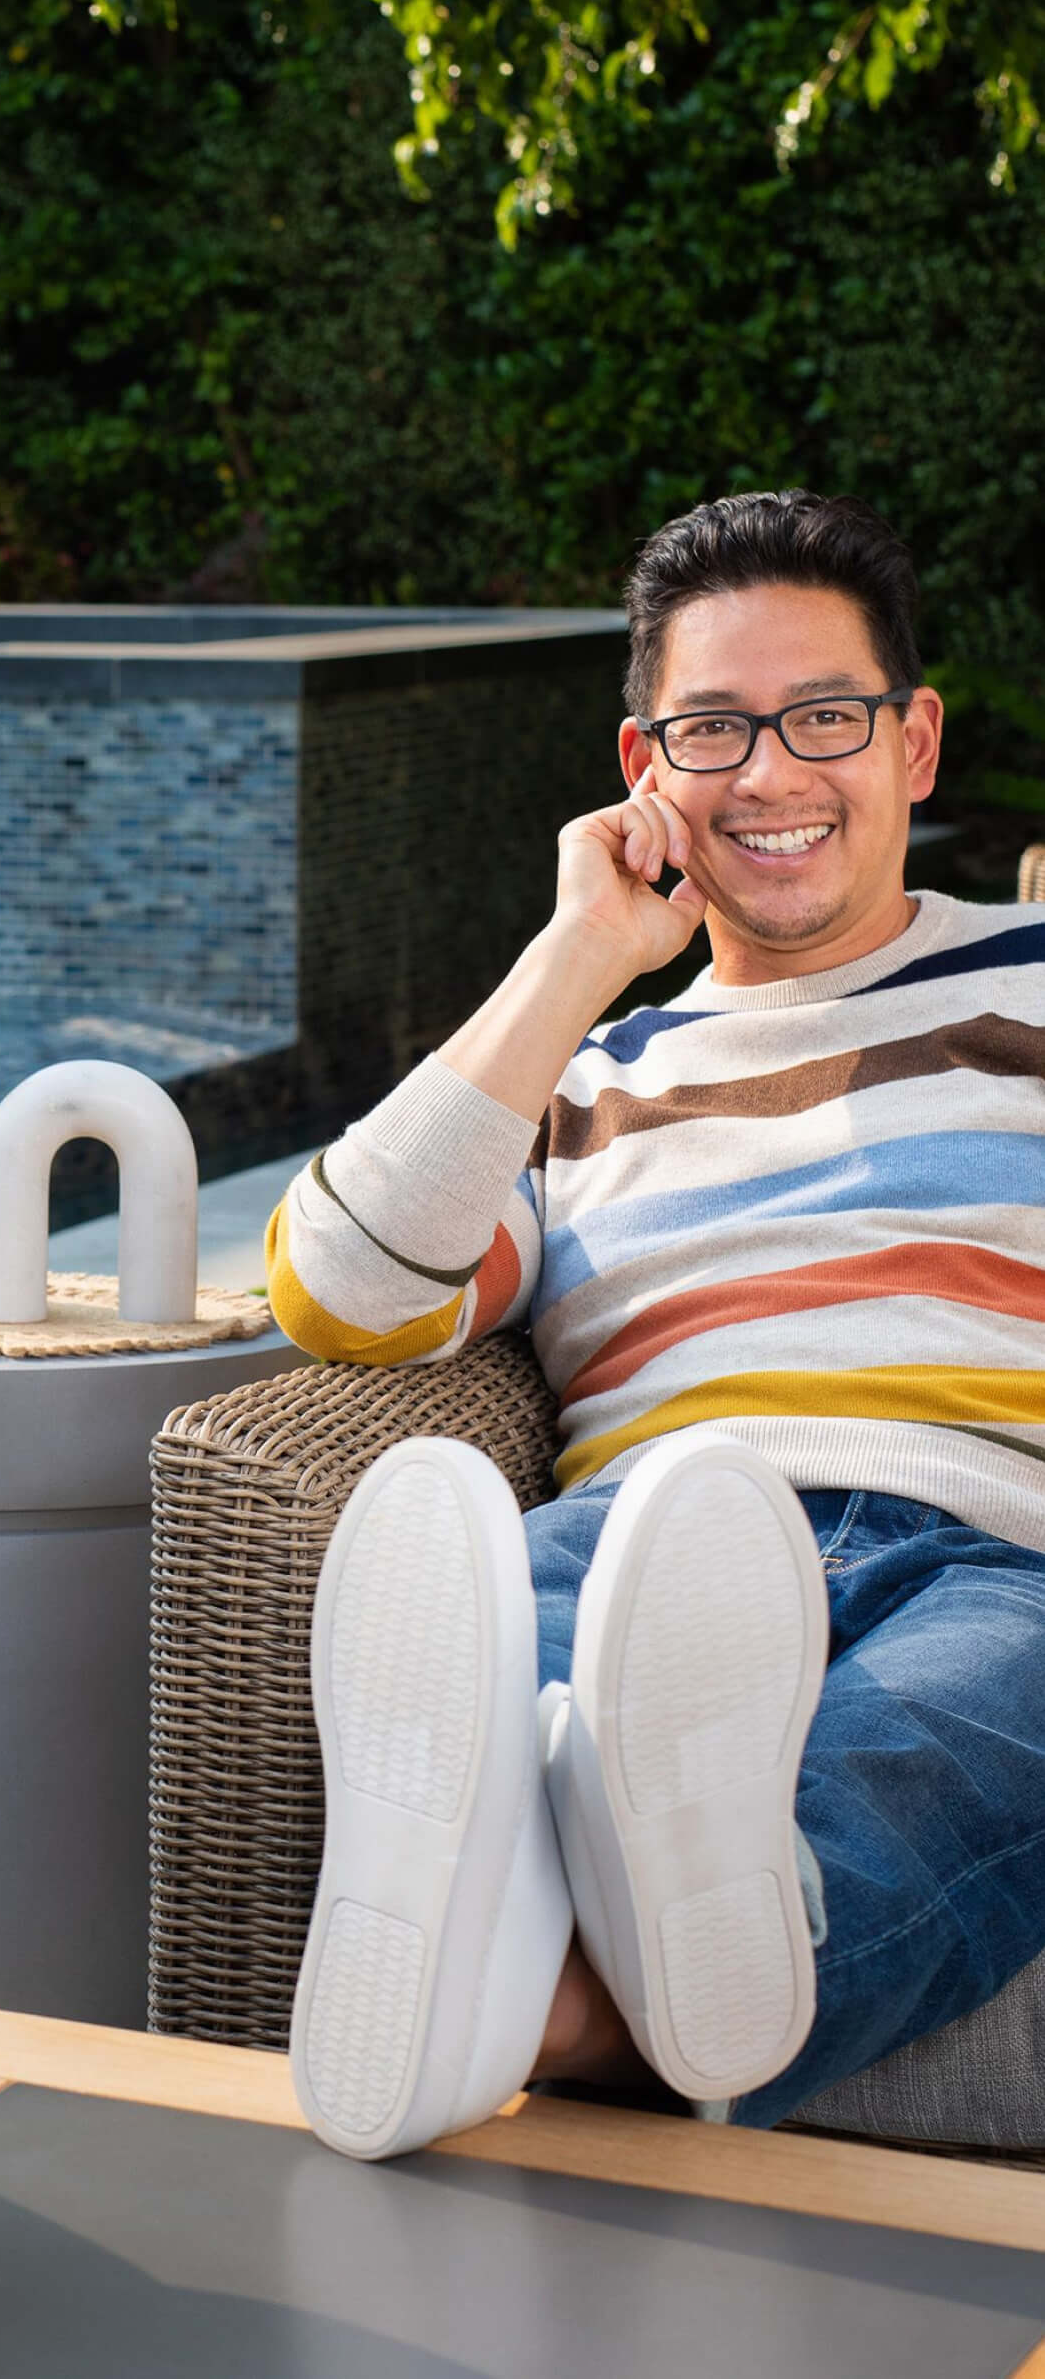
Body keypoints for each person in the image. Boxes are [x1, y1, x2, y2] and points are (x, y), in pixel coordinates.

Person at [269, 489, 1045, 2160]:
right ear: (644, 766)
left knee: (960, 1732)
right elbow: (340, 1287)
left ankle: (551, 1987)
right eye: (712, 730)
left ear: (913, 743)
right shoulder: (577, 1087)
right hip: (640, 1551)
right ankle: (650, 1893)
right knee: (508, 1640)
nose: (767, 774)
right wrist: (578, 956)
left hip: (1001, 1543)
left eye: (822, 717)